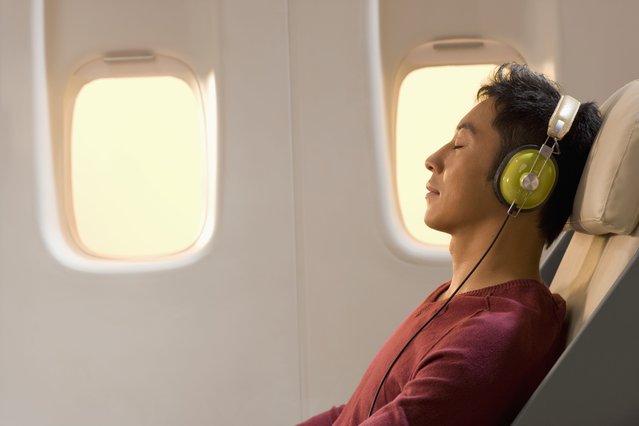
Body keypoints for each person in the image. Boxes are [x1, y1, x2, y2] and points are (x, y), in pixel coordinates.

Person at [298, 63, 602, 425]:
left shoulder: (491, 336)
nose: (433, 160)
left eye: (460, 144)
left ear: (524, 179)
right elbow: (355, 411)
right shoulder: (454, 300)